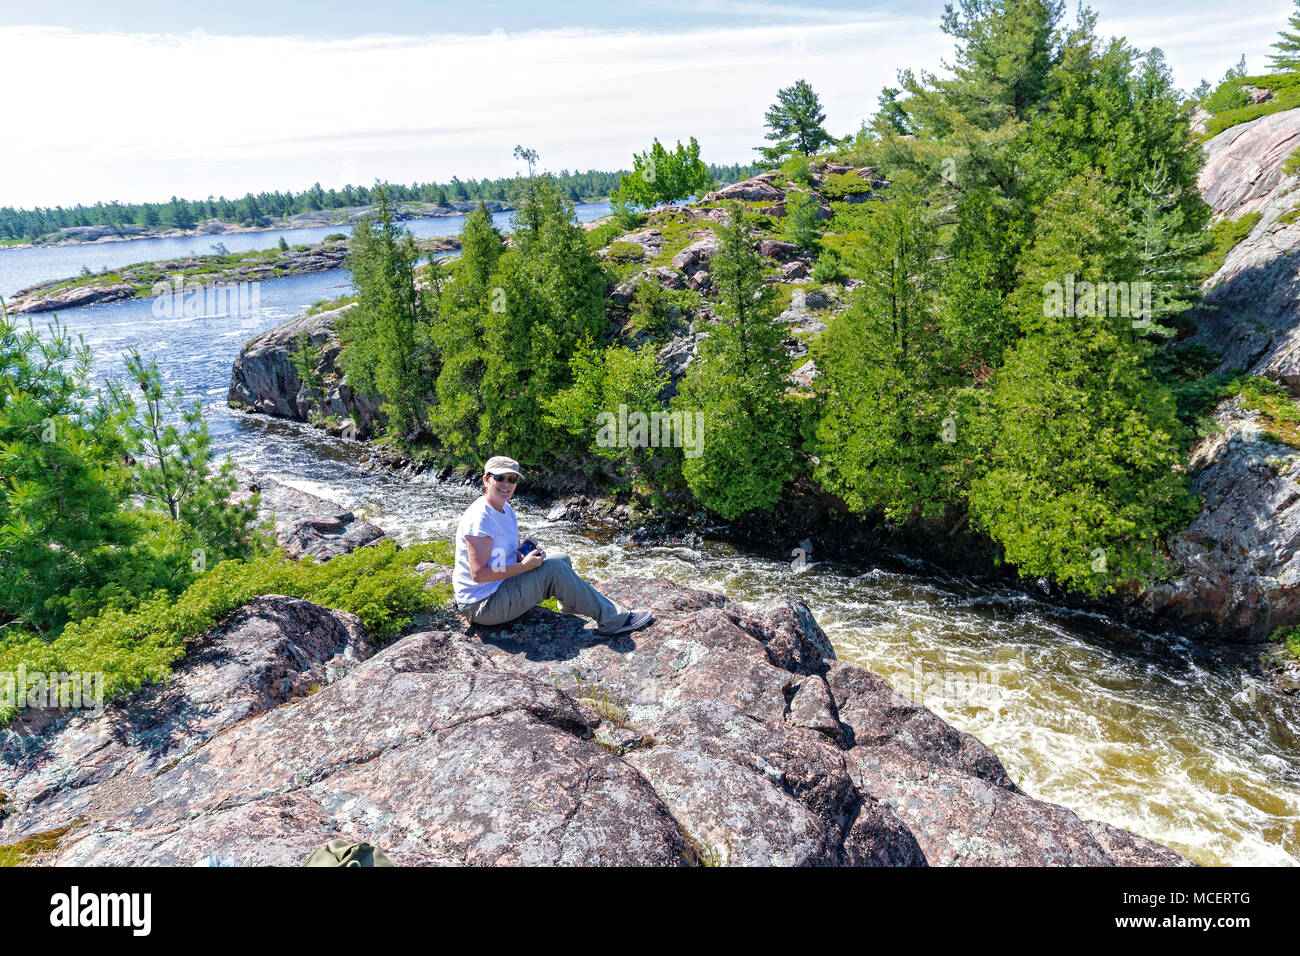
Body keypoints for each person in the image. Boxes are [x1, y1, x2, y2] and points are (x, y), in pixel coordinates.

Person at [453, 455, 653, 635]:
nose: (506, 484)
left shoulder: (505, 509)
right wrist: (524, 567)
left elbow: (497, 556)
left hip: (498, 587)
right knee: (555, 569)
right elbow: (479, 574)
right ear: (486, 480)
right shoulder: (480, 517)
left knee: (561, 559)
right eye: (499, 478)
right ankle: (614, 620)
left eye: (512, 479)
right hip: (483, 604)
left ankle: (570, 604)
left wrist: (520, 555)